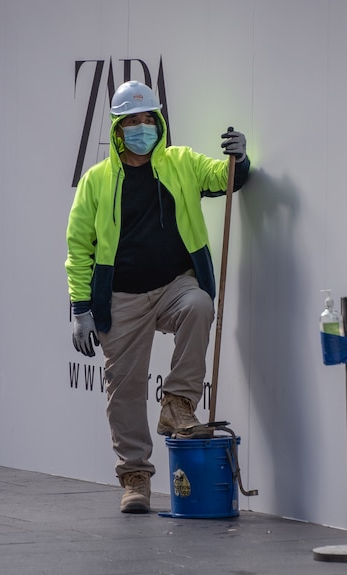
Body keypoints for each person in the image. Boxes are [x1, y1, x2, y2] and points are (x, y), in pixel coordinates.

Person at [65, 80, 250, 513]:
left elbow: (221, 178)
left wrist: (238, 159)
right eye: (133, 121)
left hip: (173, 285)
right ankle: (134, 478)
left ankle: (178, 403)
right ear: (118, 129)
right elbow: (79, 247)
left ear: (160, 122)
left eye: (149, 118)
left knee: (199, 304)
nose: (143, 127)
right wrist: (81, 308)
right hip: (122, 296)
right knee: (124, 389)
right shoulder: (96, 181)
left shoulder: (181, 163)